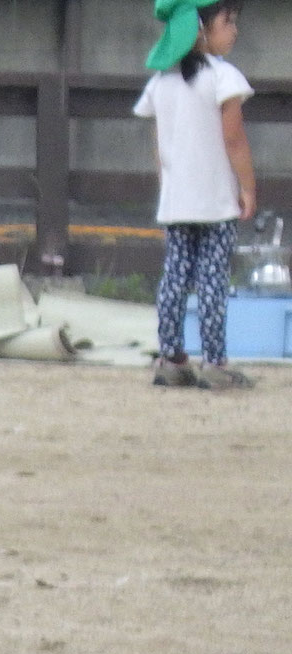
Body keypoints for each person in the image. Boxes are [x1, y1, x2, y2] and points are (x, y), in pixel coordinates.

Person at [136, 0, 256, 389]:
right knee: (212, 281)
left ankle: (171, 357)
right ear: (200, 29)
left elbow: (160, 147)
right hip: (217, 201)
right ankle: (215, 363)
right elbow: (234, 140)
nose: (234, 30)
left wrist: (168, 186)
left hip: (177, 201)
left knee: (174, 275)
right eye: (228, 21)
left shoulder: (161, 82)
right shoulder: (224, 78)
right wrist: (247, 187)